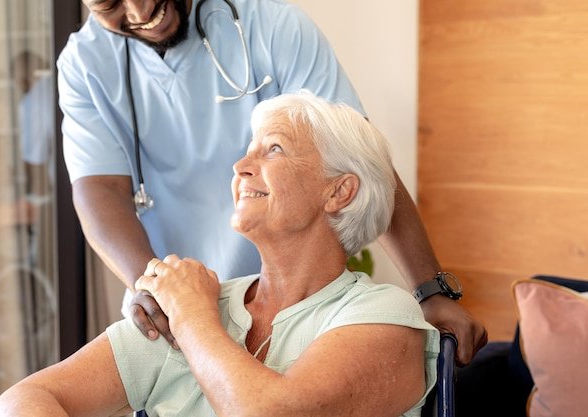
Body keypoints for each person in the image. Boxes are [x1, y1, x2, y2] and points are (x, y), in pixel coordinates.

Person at [57, 0, 486, 365]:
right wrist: (150, 284)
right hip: (173, 314)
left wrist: (429, 289)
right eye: (108, 3)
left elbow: (359, 159)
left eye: (273, 148)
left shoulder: (271, 25)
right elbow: (100, 189)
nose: (138, 10)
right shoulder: (84, 63)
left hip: (297, 305)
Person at [0, 91, 439, 417]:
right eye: (247, 152)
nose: (240, 167)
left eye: (274, 149)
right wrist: (192, 309)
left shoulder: (381, 315)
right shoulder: (200, 301)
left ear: (339, 191)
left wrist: (191, 318)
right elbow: (22, 401)